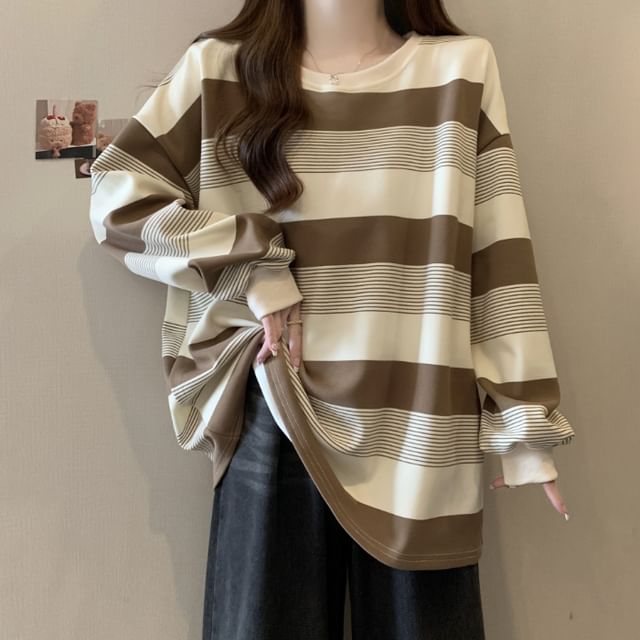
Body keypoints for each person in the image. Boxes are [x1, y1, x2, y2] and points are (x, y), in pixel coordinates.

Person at [88, 0, 576, 638]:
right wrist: (253, 269)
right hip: (274, 398)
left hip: (421, 423)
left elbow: (497, 251)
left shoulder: (460, 70)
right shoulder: (220, 71)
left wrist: (525, 423)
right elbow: (117, 200)